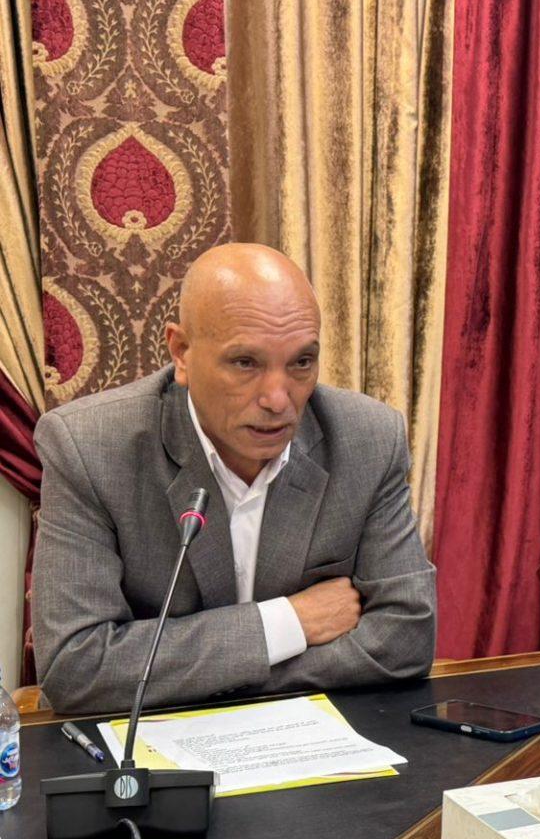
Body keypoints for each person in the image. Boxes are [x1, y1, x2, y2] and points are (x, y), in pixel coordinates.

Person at [33, 243, 437, 715]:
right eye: (246, 363)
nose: (278, 399)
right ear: (181, 353)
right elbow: (76, 666)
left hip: (309, 737)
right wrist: (288, 624)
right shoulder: (89, 447)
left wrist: (218, 675)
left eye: (301, 363)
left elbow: (407, 637)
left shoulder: (367, 439)